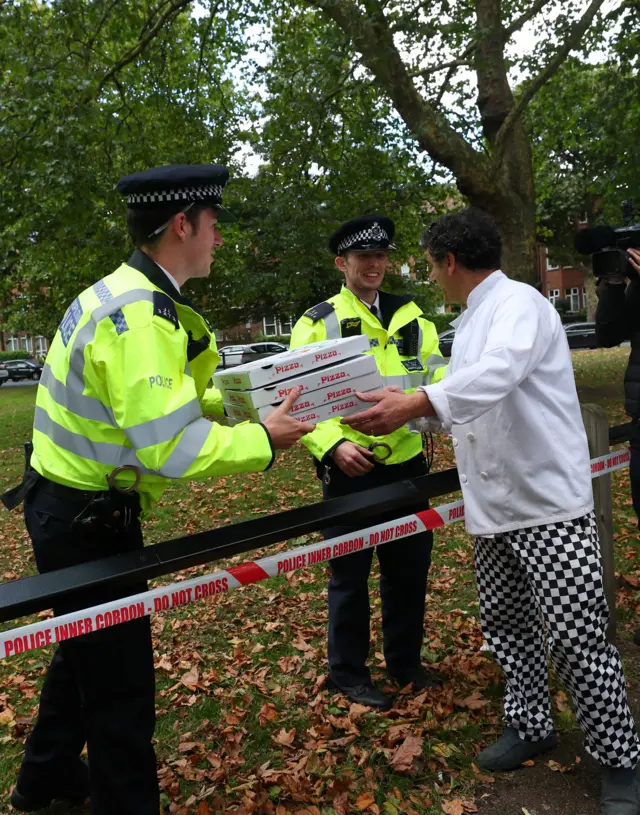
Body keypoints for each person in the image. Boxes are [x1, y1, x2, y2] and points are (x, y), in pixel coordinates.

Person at [1, 164, 311, 815]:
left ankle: (42, 779)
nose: (218, 239)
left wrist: (241, 401)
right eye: (214, 224)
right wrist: (266, 440)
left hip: (67, 508)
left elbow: (158, 403)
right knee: (118, 689)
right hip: (87, 520)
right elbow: (169, 446)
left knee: (84, 647)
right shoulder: (143, 318)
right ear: (181, 225)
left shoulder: (119, 292)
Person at [343, 208, 640, 813]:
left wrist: (419, 401)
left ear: (449, 262)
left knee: (579, 637)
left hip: (547, 508)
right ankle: (530, 724)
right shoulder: (474, 318)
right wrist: (403, 408)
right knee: (508, 628)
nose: (432, 276)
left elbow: (497, 375)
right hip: (493, 510)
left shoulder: (521, 306)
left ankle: (620, 760)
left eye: (431, 265)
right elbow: (465, 396)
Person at [289, 214, 446, 710]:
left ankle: (405, 663)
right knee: (349, 579)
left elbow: (437, 381)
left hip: (406, 467)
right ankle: (349, 674)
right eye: (363, 257)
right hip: (350, 469)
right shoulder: (317, 322)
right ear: (343, 263)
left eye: (380, 256)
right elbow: (298, 400)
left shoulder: (414, 317)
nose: (374, 264)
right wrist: (332, 445)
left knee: (409, 572)